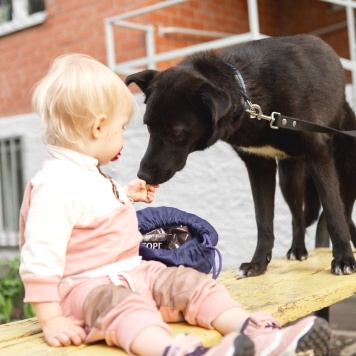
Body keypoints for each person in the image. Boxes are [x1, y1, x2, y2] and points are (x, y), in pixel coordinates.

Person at [19, 53, 331, 356]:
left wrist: (126, 194)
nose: (123, 138)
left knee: (189, 283)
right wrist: (52, 319)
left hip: (134, 273)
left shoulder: (87, 174)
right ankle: (175, 350)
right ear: (98, 128)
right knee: (128, 311)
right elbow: (39, 259)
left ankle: (254, 333)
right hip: (87, 292)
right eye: (121, 129)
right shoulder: (54, 184)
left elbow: (89, 212)